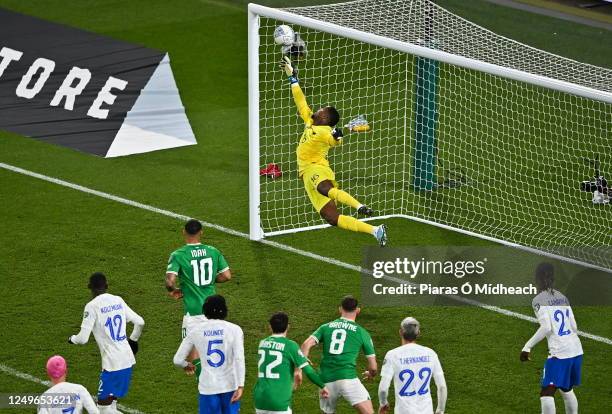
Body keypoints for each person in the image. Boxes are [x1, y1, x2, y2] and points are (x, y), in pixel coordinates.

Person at [279, 56, 387, 246]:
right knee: (331, 218)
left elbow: (333, 141)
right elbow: (301, 102)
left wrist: (338, 136)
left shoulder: (325, 131)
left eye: (322, 109)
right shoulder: (310, 121)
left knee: (325, 188)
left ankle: (359, 205)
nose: (318, 109)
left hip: (316, 168)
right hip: (306, 174)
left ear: (325, 118)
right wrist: (293, 78)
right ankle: (375, 230)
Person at [68, 272, 144, 414]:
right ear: (107, 286)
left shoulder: (92, 306)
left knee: (102, 410)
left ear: (89, 287)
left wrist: (72, 339)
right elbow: (140, 322)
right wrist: (133, 341)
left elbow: (83, 338)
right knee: (111, 405)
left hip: (112, 364)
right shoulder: (118, 300)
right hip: (127, 360)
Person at [165, 219, 232, 377]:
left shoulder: (178, 255)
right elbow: (226, 275)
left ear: (184, 232)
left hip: (194, 312)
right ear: (201, 232)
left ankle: (206, 384)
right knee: (213, 348)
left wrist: (174, 289)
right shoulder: (213, 251)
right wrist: (207, 280)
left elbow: (170, 281)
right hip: (213, 310)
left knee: (193, 353)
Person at [520, 263, 583, 414]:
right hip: (576, 350)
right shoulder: (563, 297)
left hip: (560, 353)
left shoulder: (538, 300)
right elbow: (574, 326)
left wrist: (527, 347)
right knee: (566, 389)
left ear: (537, 278)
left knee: (546, 393)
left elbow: (546, 327)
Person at [301, 296, 377, 414]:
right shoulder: (362, 333)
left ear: (340, 309)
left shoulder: (325, 327)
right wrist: (371, 374)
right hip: (348, 378)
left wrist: (303, 361)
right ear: (358, 310)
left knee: (327, 412)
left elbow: (306, 345)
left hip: (326, 379)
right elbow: (373, 367)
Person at [173, 295, 244, 414]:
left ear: (205, 310)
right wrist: (240, 385)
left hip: (208, 386)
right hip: (230, 385)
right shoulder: (235, 329)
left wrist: (186, 364)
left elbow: (177, 359)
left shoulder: (195, 331)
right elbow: (239, 359)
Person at [254, 312, 329, 413]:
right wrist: (322, 386)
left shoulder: (262, 343)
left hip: (260, 399)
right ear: (287, 327)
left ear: (270, 327)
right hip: (278, 400)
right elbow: (309, 372)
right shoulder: (290, 345)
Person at [378, 317, 447, 414]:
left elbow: (383, 389)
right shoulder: (431, 353)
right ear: (418, 333)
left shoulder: (392, 355)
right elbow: (442, 387)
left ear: (400, 332)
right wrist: (440, 410)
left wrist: (383, 403)